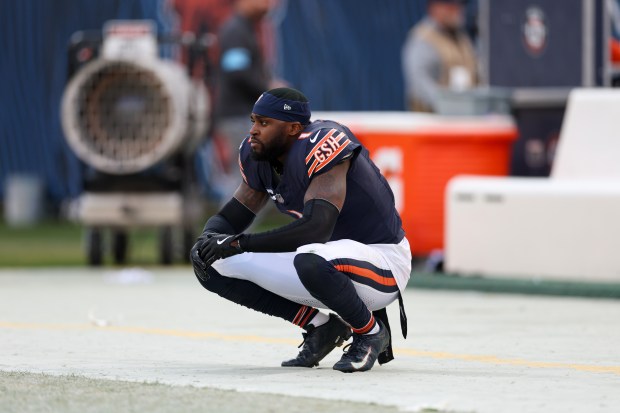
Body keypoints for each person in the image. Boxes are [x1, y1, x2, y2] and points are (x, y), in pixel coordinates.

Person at [190, 87, 411, 373]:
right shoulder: (259, 156)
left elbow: (316, 228)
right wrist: (207, 240)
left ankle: (370, 331)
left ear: (294, 128)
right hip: (325, 261)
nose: (254, 130)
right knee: (210, 262)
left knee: (310, 258)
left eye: (265, 123)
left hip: (382, 262)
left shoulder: (323, 143)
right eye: (254, 121)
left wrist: (238, 243)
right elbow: (231, 217)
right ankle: (321, 327)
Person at [214, 0, 282, 198]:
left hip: (242, 115)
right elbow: (237, 72)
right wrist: (268, 89)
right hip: (238, 116)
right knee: (251, 185)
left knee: (254, 183)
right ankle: (225, 229)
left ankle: (226, 229)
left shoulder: (245, 28)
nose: (269, 4)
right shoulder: (236, 29)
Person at [402, 0, 478, 112]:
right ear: (435, 9)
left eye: (459, 7)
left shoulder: (462, 39)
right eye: (451, 7)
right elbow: (420, 83)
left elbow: (476, 76)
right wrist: (448, 105)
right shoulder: (424, 39)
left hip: (464, 119)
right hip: (432, 122)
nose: (458, 11)